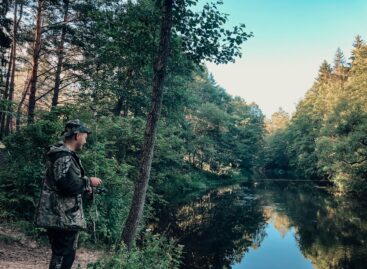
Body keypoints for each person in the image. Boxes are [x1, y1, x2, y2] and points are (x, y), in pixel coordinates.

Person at [34, 119, 102, 269]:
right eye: (85, 135)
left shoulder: (64, 154)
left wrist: (85, 188)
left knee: (62, 254)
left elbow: (66, 183)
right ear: (77, 135)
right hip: (62, 217)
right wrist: (89, 181)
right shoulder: (63, 155)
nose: (86, 140)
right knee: (64, 255)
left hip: (63, 216)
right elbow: (65, 185)